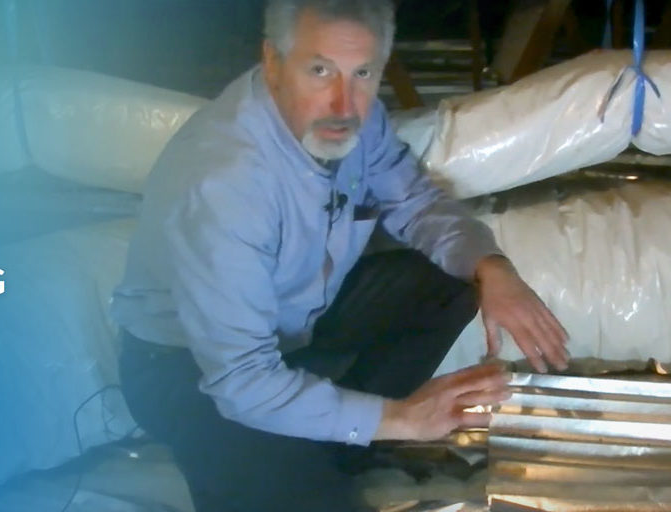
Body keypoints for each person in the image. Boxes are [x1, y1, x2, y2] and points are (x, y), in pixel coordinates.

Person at [111, 0, 568, 510]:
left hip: (296, 330)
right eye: (319, 70)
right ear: (273, 62)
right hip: (194, 369)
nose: (343, 103)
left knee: (450, 282)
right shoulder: (226, 182)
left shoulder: (357, 122)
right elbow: (242, 380)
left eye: (362, 73)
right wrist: (402, 419)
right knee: (312, 496)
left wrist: (492, 267)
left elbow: (415, 202)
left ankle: (333, 444)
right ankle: (304, 451)